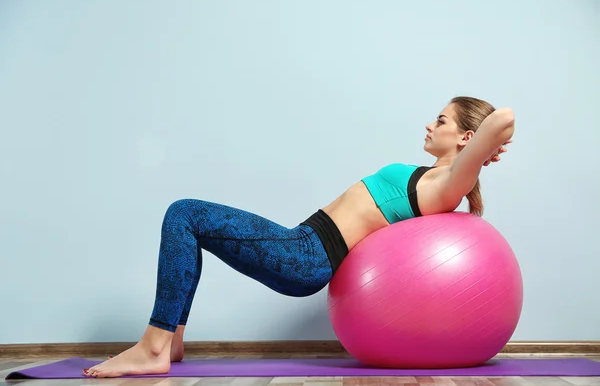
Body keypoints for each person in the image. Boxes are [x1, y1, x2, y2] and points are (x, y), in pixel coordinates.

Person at [83, 96, 514, 378]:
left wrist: (488, 147)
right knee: (191, 222)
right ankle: (170, 343)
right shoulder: (434, 177)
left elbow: (503, 120)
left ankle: (154, 344)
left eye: (440, 120)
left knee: (184, 214)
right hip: (303, 244)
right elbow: (487, 134)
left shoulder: (445, 186)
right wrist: (484, 147)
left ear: (465, 138)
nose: (428, 124)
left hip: (307, 255)